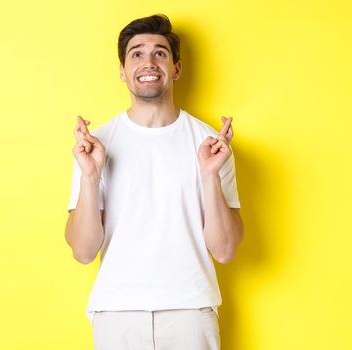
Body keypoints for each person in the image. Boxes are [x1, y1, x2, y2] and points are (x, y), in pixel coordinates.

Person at [64, 14, 244, 350]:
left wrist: (210, 176)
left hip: (191, 310)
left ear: (176, 68)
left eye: (160, 53)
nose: (149, 62)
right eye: (136, 53)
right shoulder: (95, 145)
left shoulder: (210, 145)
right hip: (117, 312)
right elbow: (83, 251)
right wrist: (90, 176)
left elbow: (226, 249)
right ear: (122, 71)